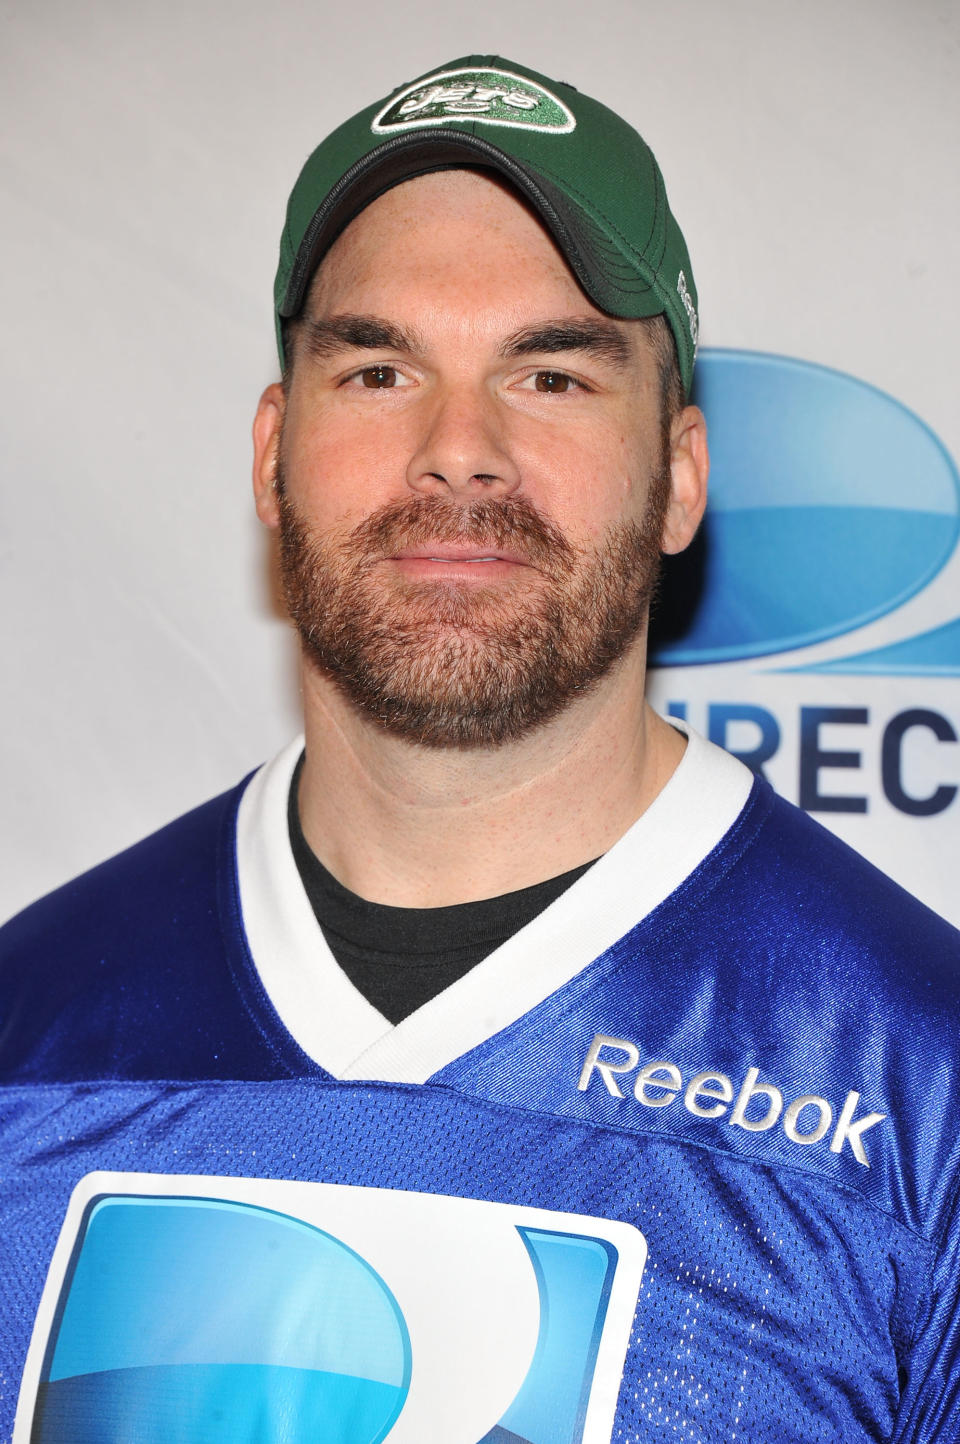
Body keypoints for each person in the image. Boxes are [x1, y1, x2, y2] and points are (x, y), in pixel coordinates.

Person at [2, 54, 959, 1444]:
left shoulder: (916, 1089)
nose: (461, 451)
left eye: (554, 374)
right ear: (274, 456)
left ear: (680, 475)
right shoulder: (34, 1043)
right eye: (381, 369)